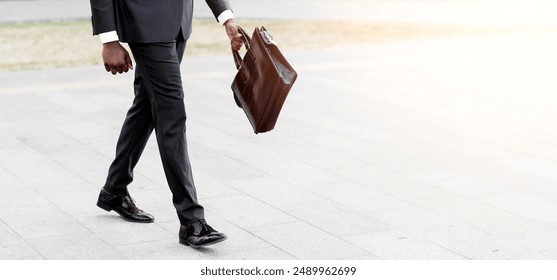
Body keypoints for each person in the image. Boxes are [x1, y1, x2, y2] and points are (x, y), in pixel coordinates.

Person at [89, 0, 243, 248]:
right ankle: (192, 221)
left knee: (146, 107)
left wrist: (226, 17)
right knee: (172, 114)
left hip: (178, 22)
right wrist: (109, 39)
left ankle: (114, 190)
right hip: (145, 23)